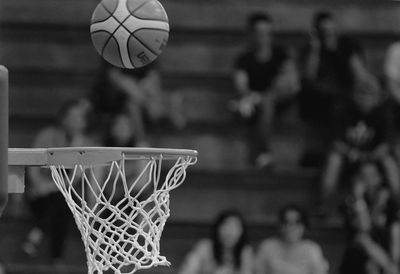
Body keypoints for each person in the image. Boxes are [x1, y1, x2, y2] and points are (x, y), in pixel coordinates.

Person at [22, 99, 95, 263]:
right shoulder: (47, 135)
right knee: (60, 204)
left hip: (64, 195)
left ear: (85, 122)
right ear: (63, 118)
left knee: (62, 202)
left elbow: (73, 180)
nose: (75, 120)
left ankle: (37, 234)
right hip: (39, 193)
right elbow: (33, 164)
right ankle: (57, 258)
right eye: (72, 116)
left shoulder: (87, 144)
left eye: (79, 117)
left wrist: (51, 187)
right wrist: (39, 184)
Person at [299, 10, 369, 166]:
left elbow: (359, 73)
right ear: (317, 32)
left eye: (331, 30)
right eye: (324, 32)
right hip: (319, 98)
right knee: (325, 102)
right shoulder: (311, 49)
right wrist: (315, 49)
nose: (329, 35)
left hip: (346, 95)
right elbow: (309, 77)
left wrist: (364, 89)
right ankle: (331, 151)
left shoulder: (348, 45)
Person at [320, 76, 400, 209]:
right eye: (362, 93)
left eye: (370, 95)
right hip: (348, 154)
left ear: (378, 98)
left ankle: (398, 203)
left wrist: (372, 155)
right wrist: (352, 152)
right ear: (354, 94)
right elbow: (335, 141)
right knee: (334, 160)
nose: (365, 99)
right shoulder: (342, 109)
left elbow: (387, 143)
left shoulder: (384, 113)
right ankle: (325, 204)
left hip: (373, 155)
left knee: (390, 163)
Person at [233, 12, 299, 168]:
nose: (263, 37)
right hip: (258, 103)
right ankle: (264, 154)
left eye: (267, 33)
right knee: (263, 105)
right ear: (250, 35)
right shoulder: (244, 59)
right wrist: (252, 97)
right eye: (258, 33)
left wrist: (268, 94)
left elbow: (292, 83)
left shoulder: (281, 54)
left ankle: (264, 153)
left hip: (281, 99)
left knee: (267, 101)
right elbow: (241, 86)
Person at [90, 62, 185, 146]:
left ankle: (142, 141)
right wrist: (141, 95)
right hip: (114, 104)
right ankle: (141, 141)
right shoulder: (112, 52)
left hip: (138, 104)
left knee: (169, 98)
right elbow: (114, 77)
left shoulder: (147, 51)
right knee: (134, 105)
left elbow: (153, 77)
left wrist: (147, 91)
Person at [340, 161, 400, 274]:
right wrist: (359, 198)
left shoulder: (389, 199)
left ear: (379, 177)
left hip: (385, 248)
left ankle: (392, 266)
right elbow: (365, 227)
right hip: (359, 250)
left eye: (372, 175)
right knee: (363, 239)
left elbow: (395, 228)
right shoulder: (350, 201)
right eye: (363, 176)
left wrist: (395, 257)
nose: (368, 179)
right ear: (356, 179)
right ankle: (392, 269)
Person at [255, 204, 328, 274]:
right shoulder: (267, 246)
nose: (291, 227)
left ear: (304, 226)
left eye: (297, 222)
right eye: (287, 222)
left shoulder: (312, 249)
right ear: (280, 226)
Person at [179, 210, 254, 274]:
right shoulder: (204, 248)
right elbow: (187, 271)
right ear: (217, 229)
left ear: (242, 232)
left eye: (235, 227)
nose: (230, 232)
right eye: (226, 225)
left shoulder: (245, 252)